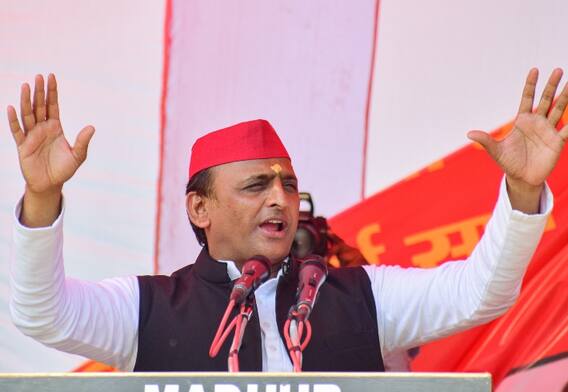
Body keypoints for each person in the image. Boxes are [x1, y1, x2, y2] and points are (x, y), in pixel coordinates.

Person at [7, 69, 568, 372]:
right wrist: (42, 196)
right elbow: (43, 315)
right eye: (257, 186)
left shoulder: (363, 296)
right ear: (199, 208)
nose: (281, 198)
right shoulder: (147, 308)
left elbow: (480, 295)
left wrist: (522, 190)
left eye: (290, 185)